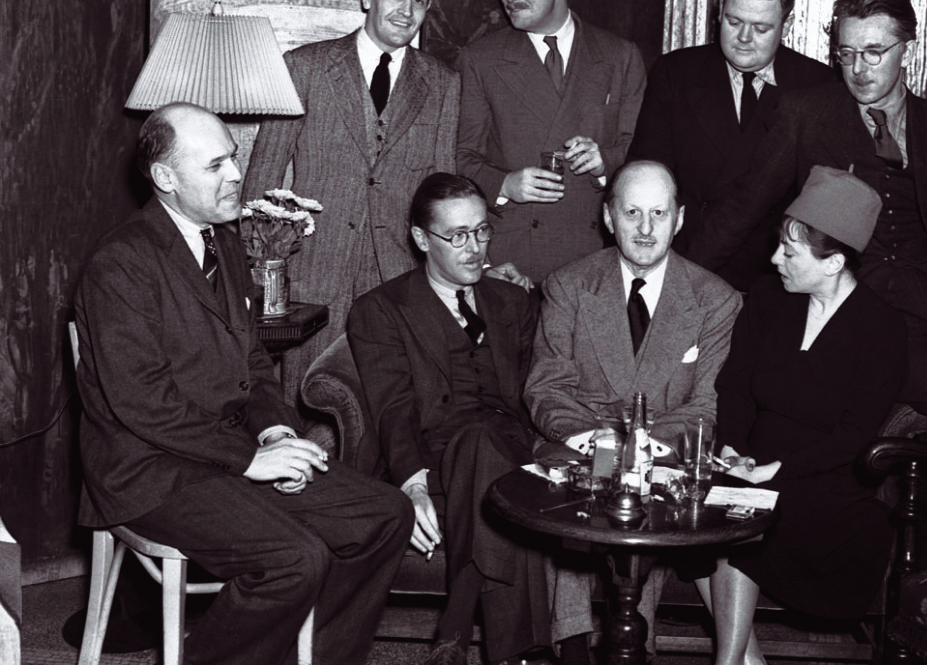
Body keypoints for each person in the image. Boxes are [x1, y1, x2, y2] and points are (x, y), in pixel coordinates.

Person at [687, 0, 927, 565]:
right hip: (868, 314)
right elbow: (743, 208)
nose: (859, 69)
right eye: (845, 54)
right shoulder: (806, 114)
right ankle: (916, 564)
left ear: (906, 49)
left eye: (874, 53)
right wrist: (678, 281)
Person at [74, 103, 413, 665]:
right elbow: (143, 404)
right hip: (149, 470)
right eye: (216, 166)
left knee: (384, 514)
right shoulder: (121, 265)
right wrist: (248, 460)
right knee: (293, 558)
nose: (237, 174)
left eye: (233, 158)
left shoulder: (224, 243)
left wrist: (276, 431)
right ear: (165, 179)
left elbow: (251, 365)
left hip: (224, 450)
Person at [524, 160, 741, 664]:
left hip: (664, 449)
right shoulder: (569, 285)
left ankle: (634, 646)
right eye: (632, 212)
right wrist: (599, 441)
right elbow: (547, 390)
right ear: (608, 216)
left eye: (659, 214)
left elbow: (706, 404)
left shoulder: (715, 300)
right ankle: (572, 646)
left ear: (679, 219)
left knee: (649, 489)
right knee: (572, 490)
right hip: (581, 442)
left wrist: (642, 449)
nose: (645, 229)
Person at [703, 165, 907, 665]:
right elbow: (734, 387)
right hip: (750, 460)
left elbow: (854, 434)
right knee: (715, 510)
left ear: (834, 261)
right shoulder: (769, 298)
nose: (775, 260)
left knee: (741, 519)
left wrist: (779, 470)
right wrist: (732, 446)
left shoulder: (881, 329)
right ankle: (741, 663)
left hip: (826, 478)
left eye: (789, 253)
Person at [347, 173, 550, 665]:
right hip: (432, 459)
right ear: (421, 238)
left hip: (510, 451)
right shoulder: (382, 310)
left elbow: (532, 395)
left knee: (487, 443)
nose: (475, 248)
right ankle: (522, 653)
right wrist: (412, 485)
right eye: (457, 235)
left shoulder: (515, 302)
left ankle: (453, 630)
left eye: (481, 231)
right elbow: (392, 407)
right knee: (483, 454)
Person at [243, 0, 461, 401]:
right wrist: (259, 274)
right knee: (300, 402)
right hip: (312, 275)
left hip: (399, 277)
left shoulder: (442, 84)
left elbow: (443, 193)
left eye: (419, 1)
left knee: (387, 407)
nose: (406, 11)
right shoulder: (304, 67)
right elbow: (262, 179)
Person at [628, 0, 835, 291]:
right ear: (719, 12)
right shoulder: (676, 73)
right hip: (684, 262)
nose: (743, 37)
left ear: (788, 23)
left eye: (761, 28)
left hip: (776, 276)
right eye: (733, 21)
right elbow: (648, 173)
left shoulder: (818, 85)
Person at [457, 0, 646, 285]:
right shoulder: (479, 60)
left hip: (597, 259)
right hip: (511, 262)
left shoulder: (620, 57)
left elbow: (642, 153)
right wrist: (505, 184)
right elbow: (460, 157)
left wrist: (604, 160)